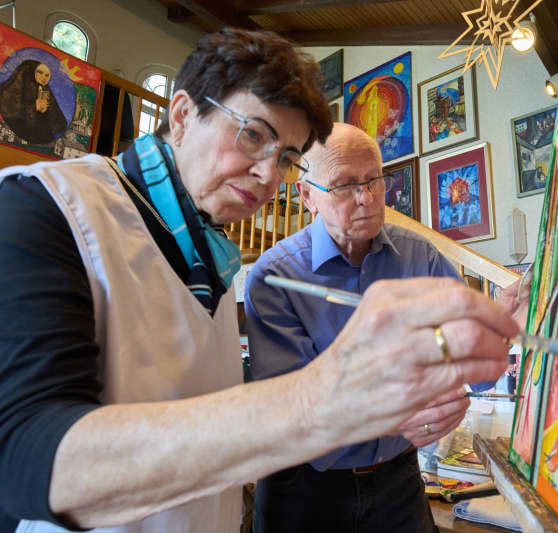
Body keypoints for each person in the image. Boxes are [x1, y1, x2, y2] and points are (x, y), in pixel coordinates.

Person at [0, 29, 519, 533]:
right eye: (253, 134)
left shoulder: (213, 260)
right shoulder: (42, 205)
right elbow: (25, 457)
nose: (270, 176)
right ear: (181, 115)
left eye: (287, 158)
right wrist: (325, 397)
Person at [244, 123, 527, 533]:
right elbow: (296, 410)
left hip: (399, 483)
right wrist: (404, 408)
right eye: (344, 185)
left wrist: (501, 329)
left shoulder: (420, 257)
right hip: (303, 491)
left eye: (374, 179)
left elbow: (475, 370)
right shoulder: (274, 276)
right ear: (307, 196)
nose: (367, 198)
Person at [0, 59, 68, 144]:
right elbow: (8, 110)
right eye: (40, 72)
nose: (43, 77)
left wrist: (47, 111)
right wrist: (34, 106)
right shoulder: (11, 89)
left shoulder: (45, 91)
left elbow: (60, 124)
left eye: (47, 75)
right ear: (30, 72)